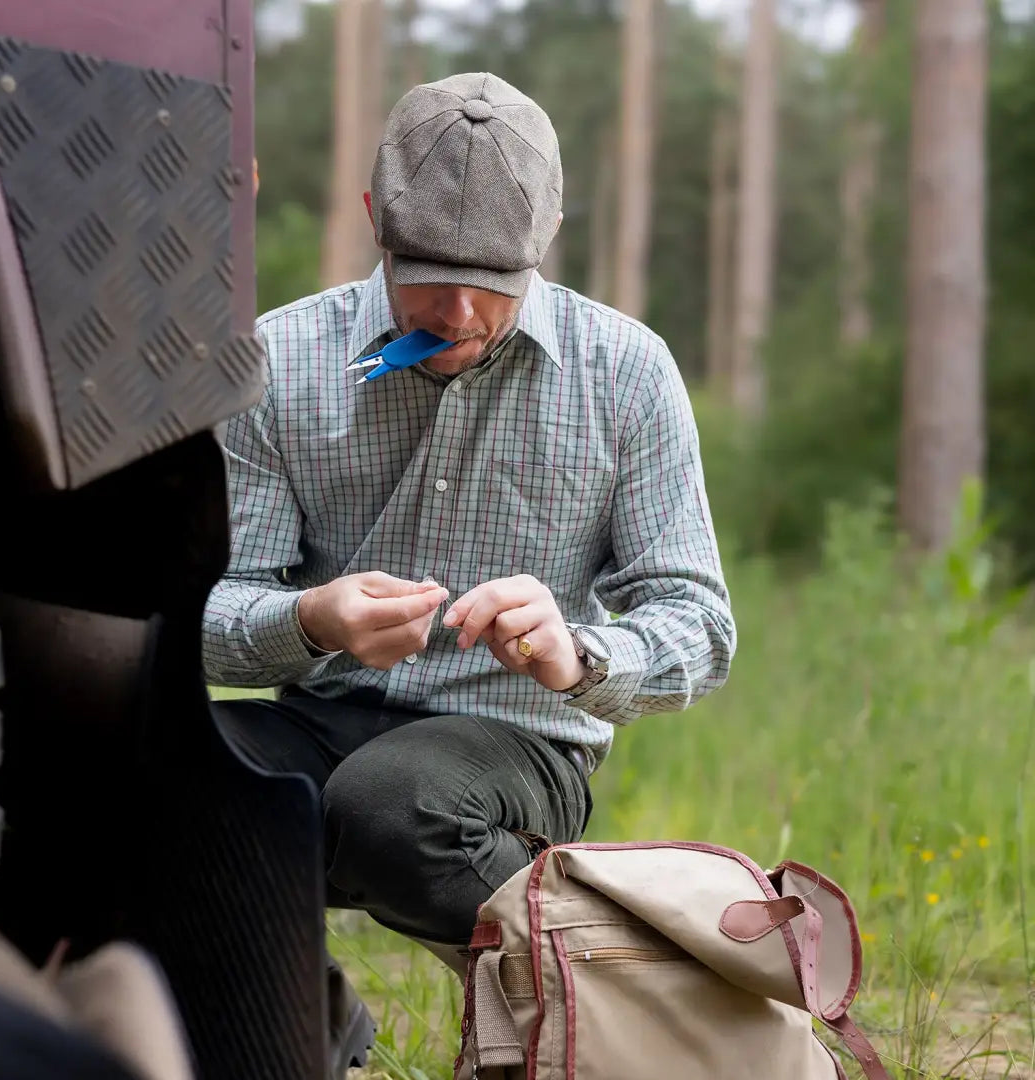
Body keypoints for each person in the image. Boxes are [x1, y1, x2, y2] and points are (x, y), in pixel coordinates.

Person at [203, 72, 736, 962]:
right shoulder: (276, 361)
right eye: (428, 279)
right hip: (321, 720)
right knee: (142, 772)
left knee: (389, 805)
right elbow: (211, 614)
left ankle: (589, 976)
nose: (455, 315)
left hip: (518, 746)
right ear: (375, 217)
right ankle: (291, 1025)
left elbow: (701, 628)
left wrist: (578, 654)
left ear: (548, 231)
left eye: (492, 284)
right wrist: (310, 619)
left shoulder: (629, 373)